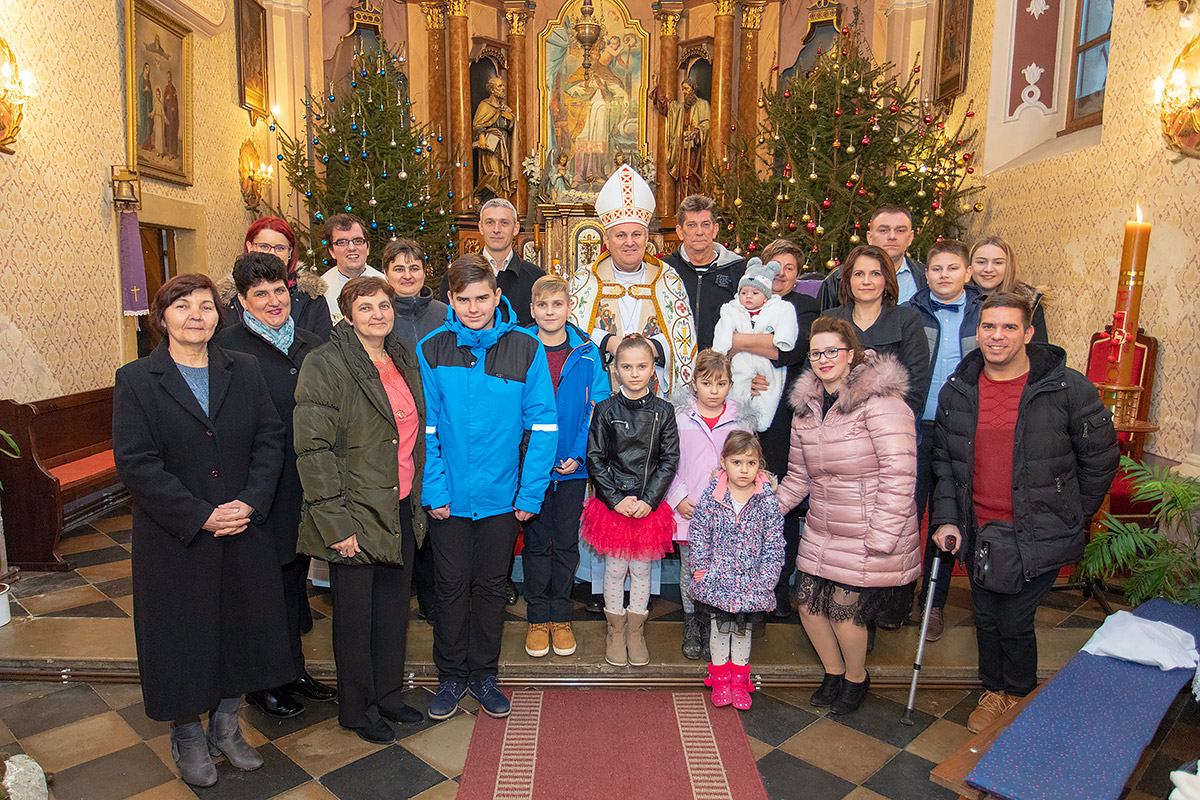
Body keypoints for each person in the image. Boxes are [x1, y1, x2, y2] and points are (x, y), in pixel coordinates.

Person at [113, 274, 289, 788]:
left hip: (241, 527)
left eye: (206, 306)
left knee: (240, 628)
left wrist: (251, 501)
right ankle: (187, 733)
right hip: (176, 538)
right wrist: (199, 514)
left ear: (221, 315)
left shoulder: (245, 369)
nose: (196, 315)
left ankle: (227, 724)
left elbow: (270, 439)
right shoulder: (137, 379)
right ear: (161, 317)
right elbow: (136, 463)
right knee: (182, 637)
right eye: (182, 306)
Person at [930, 293, 1117, 733]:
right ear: (977, 332)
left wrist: (1073, 514)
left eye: (1009, 327)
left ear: (1029, 333)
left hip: (1037, 531)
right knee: (987, 617)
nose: (997, 336)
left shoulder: (1066, 388)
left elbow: (1101, 458)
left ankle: (1016, 694)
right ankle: (993, 690)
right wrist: (948, 519)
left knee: (1014, 620)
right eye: (989, 327)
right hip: (980, 531)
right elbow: (945, 462)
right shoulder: (958, 390)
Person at [419, 254, 558, 720]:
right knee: (450, 586)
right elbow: (428, 428)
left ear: (498, 297)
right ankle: (451, 676)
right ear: (450, 300)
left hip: (504, 497)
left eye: (483, 297)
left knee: (493, 586)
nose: (474, 307)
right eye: (464, 299)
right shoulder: (432, 348)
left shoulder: (525, 347)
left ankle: (484, 674)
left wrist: (530, 493)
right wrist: (435, 489)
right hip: (450, 498)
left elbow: (543, 427)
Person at [294, 276, 427, 744]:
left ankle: (388, 696)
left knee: (392, 611)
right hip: (353, 511)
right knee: (355, 618)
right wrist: (335, 523)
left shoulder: (402, 357)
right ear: (347, 315)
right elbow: (313, 450)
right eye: (366, 306)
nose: (378, 314)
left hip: (400, 505)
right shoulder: (325, 364)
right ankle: (357, 707)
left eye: (384, 305)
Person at [776, 316, 921, 715]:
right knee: (807, 606)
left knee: (844, 613)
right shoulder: (805, 410)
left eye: (832, 351)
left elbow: (901, 473)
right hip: (823, 526)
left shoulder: (882, 402)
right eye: (816, 352)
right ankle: (833, 672)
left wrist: (881, 537)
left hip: (868, 527)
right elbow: (797, 478)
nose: (823, 359)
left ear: (852, 354)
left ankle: (856, 678)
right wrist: (760, 512)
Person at [214, 253, 335, 720]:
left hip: (305, 487)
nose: (272, 301)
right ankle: (262, 682)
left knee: (292, 584)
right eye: (260, 294)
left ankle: (293, 670)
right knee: (260, 590)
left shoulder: (310, 344)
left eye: (279, 291)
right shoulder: (225, 348)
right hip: (257, 490)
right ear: (242, 301)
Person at [522, 275, 610, 659]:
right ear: (532, 309)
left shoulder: (588, 352)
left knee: (566, 541)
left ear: (569, 307)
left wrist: (579, 452)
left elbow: (598, 408)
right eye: (542, 306)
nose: (550, 312)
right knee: (536, 542)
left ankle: (561, 614)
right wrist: (531, 457)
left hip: (574, 467)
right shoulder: (519, 346)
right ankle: (537, 617)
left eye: (557, 305)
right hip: (531, 467)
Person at [733, 239, 821, 615]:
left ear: (798, 275)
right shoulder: (745, 301)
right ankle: (743, 578)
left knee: (782, 501)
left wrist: (745, 345)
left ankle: (779, 585)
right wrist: (750, 359)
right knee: (745, 494)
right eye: (774, 265)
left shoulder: (805, 307)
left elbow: (792, 351)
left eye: (789, 268)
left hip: (791, 415)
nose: (781, 274)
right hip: (751, 406)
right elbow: (726, 344)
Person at [583, 335, 681, 669]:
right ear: (615, 369)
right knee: (614, 571)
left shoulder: (665, 411)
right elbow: (595, 458)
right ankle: (615, 630)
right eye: (627, 366)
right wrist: (615, 499)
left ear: (653, 368)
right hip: (614, 506)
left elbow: (669, 460)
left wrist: (650, 500)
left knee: (641, 571)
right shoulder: (606, 410)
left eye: (642, 366)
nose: (635, 373)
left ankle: (636, 631)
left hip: (647, 506)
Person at [903, 239, 983, 642]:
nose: (944, 275)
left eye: (953, 268)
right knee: (907, 511)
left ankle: (933, 604)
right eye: (936, 268)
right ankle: (897, 598)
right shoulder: (910, 313)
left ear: (967, 273)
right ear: (926, 272)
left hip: (962, 431)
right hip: (917, 426)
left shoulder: (983, 315)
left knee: (947, 516)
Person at [570, 164, 696, 398]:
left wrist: (650, 348)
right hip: (601, 395)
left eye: (636, 234)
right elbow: (571, 331)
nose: (630, 242)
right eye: (621, 235)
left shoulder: (667, 279)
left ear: (647, 237)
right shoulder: (585, 279)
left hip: (654, 398)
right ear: (606, 239)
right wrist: (609, 342)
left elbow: (684, 340)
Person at [688, 432, 785, 710]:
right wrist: (701, 571)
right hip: (716, 581)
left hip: (752, 584)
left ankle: (740, 682)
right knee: (719, 632)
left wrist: (766, 579)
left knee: (742, 633)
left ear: (760, 466)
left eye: (751, 463)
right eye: (737, 462)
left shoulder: (766, 501)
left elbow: (774, 544)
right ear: (724, 463)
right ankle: (719, 679)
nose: (744, 469)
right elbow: (699, 535)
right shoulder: (712, 497)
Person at [668, 349, 752, 661]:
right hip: (690, 511)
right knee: (691, 569)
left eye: (721, 384)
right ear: (694, 384)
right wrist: (677, 498)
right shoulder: (680, 419)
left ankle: (712, 622)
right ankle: (692, 622)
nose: (713, 391)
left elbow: (748, 466)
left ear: (730, 384)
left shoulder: (740, 422)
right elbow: (670, 462)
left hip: (726, 514)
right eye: (707, 383)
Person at [382, 237, 445, 623]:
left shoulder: (442, 311)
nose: (407, 276)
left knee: (433, 507)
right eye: (398, 268)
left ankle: (432, 594)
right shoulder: (378, 311)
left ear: (425, 272)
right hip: (393, 426)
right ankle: (396, 593)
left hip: (438, 423)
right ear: (386, 273)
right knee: (400, 508)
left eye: (414, 268)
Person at [822, 244, 931, 423]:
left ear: (887, 279)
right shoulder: (829, 320)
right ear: (848, 279)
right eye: (858, 274)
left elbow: (915, 386)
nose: (866, 281)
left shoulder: (908, 320)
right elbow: (812, 378)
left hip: (890, 428)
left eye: (875, 274)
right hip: (834, 426)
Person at [712, 258, 799, 432]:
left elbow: (788, 327)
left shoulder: (781, 308)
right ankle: (735, 421)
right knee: (736, 389)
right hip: (741, 361)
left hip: (767, 365)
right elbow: (723, 330)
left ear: (766, 297)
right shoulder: (732, 309)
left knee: (769, 390)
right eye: (744, 292)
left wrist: (782, 340)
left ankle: (763, 421)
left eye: (755, 293)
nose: (748, 297)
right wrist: (720, 350)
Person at [219, 217, 332, 341]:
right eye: (264, 246)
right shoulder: (226, 301)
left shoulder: (312, 298)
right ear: (249, 246)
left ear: (290, 252)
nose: (272, 253)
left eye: (280, 248)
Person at [439, 199, 545, 328]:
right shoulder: (455, 276)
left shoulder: (535, 277)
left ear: (516, 228)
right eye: (490, 222)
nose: (496, 229)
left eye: (504, 223)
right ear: (481, 227)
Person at [663, 194, 746, 350]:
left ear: (715, 230)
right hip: (674, 362)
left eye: (705, 224)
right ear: (680, 232)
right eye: (692, 225)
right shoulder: (665, 269)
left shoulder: (737, 269)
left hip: (722, 365)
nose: (699, 232)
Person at [819, 205, 928, 311]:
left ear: (910, 237)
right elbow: (825, 323)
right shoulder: (838, 278)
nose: (892, 236)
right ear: (869, 237)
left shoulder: (927, 278)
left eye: (900, 230)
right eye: (883, 230)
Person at [970, 236, 1050, 343]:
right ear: (969, 267)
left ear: (1009, 267)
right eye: (981, 262)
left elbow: (1039, 352)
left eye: (998, 263)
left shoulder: (1029, 303)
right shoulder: (955, 302)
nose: (988, 269)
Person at [320, 214, 386, 323]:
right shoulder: (322, 291)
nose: (351, 248)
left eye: (358, 241)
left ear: (367, 247)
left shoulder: (386, 284)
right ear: (331, 251)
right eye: (342, 242)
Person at [653, 75, 710, 197]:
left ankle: (695, 201)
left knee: (694, 174)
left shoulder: (702, 104)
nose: (684, 92)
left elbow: (707, 123)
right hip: (683, 147)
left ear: (693, 89)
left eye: (686, 89)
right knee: (684, 174)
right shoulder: (681, 107)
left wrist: (696, 131)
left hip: (695, 147)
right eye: (682, 89)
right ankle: (684, 203)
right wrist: (658, 89)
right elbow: (667, 106)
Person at [472, 76, 516, 200]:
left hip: (503, 145)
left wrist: (511, 120)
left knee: (502, 173)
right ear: (492, 90)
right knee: (493, 173)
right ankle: (479, 196)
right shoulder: (485, 105)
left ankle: (496, 199)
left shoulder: (505, 109)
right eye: (499, 86)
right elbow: (478, 124)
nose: (503, 88)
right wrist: (481, 136)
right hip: (489, 144)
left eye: (503, 85)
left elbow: (513, 130)